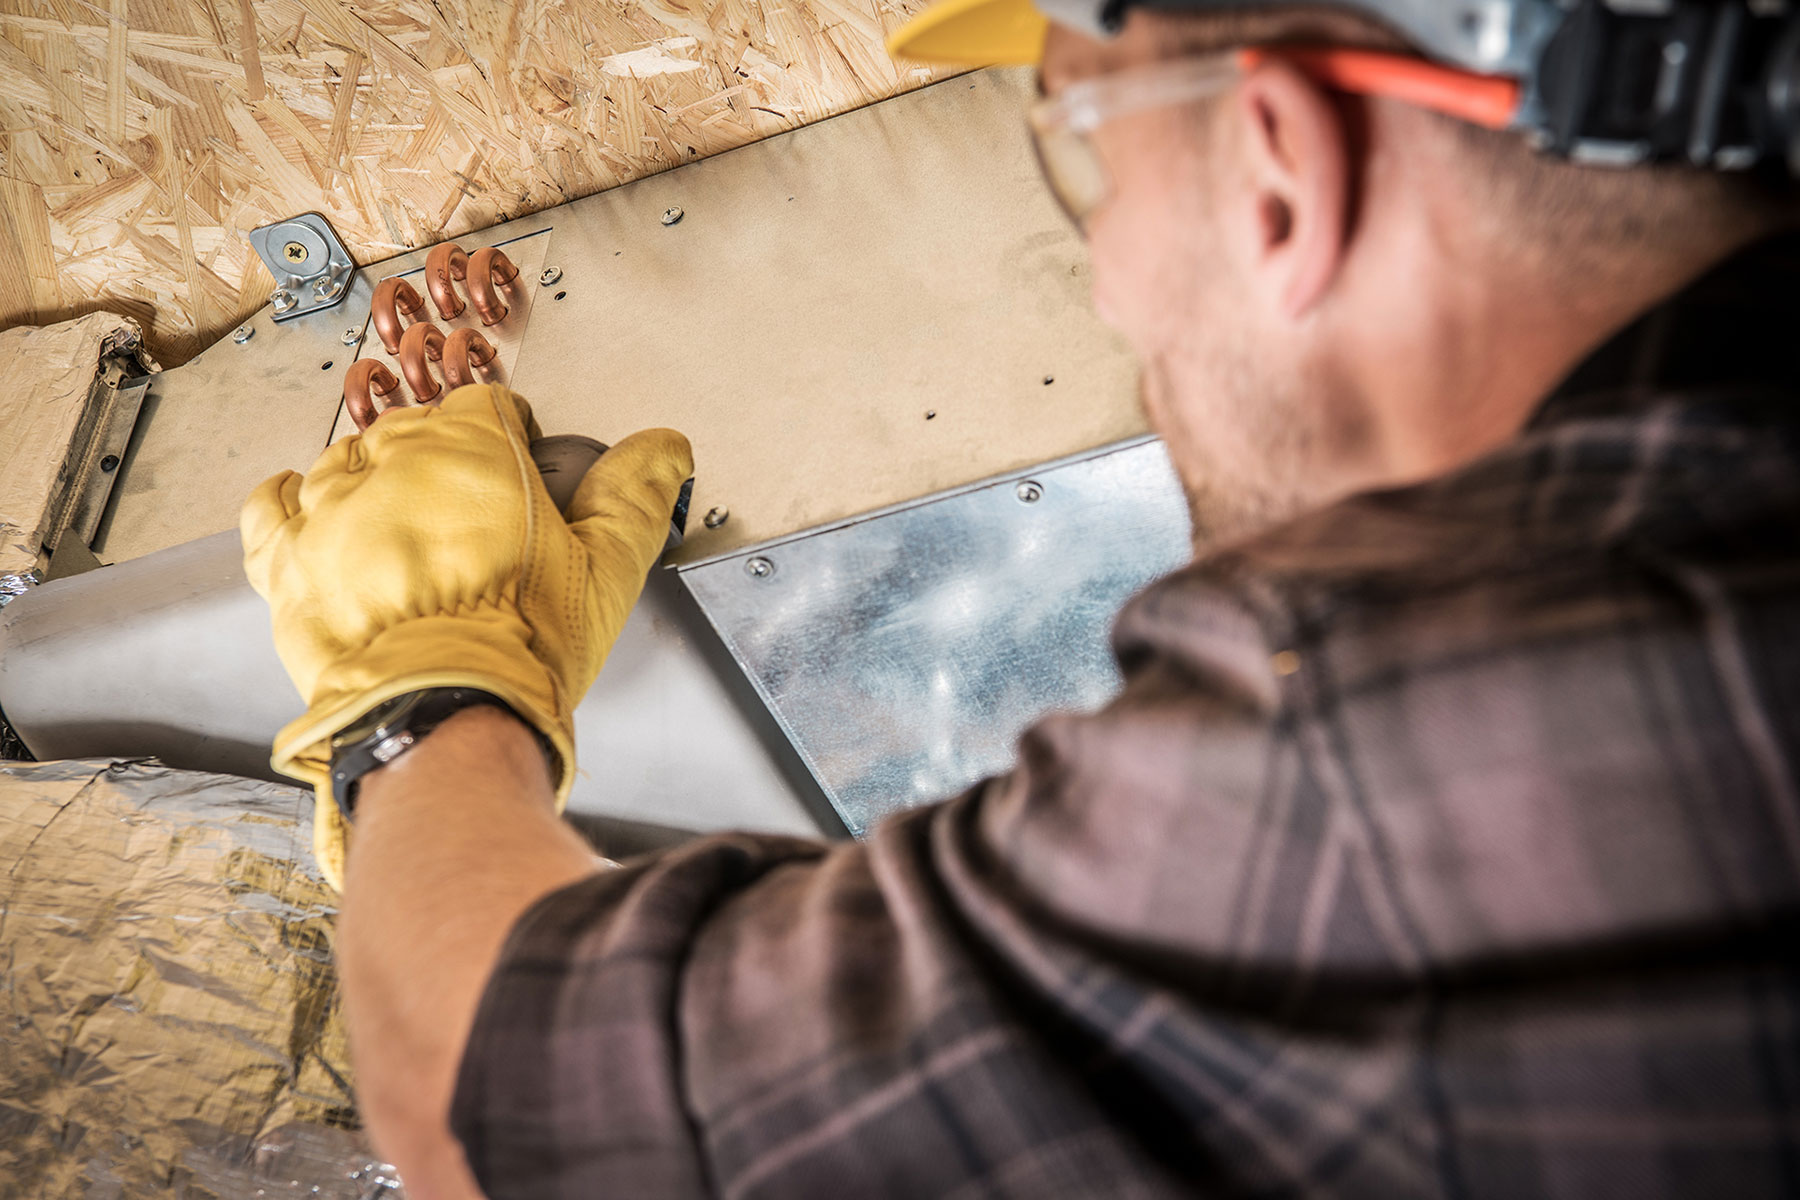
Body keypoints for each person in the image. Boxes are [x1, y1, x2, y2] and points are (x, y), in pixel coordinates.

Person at [241, 1, 1800, 1196]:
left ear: (1281, 167)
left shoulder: (1415, 748)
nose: (1110, 284)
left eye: (1089, 149)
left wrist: (420, 691)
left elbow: (497, 1095)